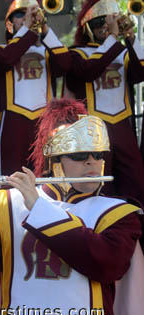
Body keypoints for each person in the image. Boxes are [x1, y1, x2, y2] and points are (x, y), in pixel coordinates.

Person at [0, 98, 144, 315]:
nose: (92, 161)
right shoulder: (9, 204)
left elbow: (106, 264)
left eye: (98, 154)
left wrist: (40, 210)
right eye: (79, 154)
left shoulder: (119, 214)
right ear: (54, 160)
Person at [66, 0, 144, 206]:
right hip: (93, 132)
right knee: (100, 186)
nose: (105, 27)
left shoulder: (123, 51)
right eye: (100, 22)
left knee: (136, 181)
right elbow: (88, 71)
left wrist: (130, 37)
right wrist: (112, 38)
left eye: (110, 22)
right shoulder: (77, 53)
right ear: (88, 27)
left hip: (123, 126)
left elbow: (141, 73)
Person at [0, 0, 71, 176]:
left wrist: (45, 30)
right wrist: (27, 31)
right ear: (10, 23)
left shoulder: (47, 52)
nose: (26, 18)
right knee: (9, 183)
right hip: (12, 123)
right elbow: (4, 62)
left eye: (30, 14)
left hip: (44, 123)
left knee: (46, 180)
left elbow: (66, 64)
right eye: (20, 15)